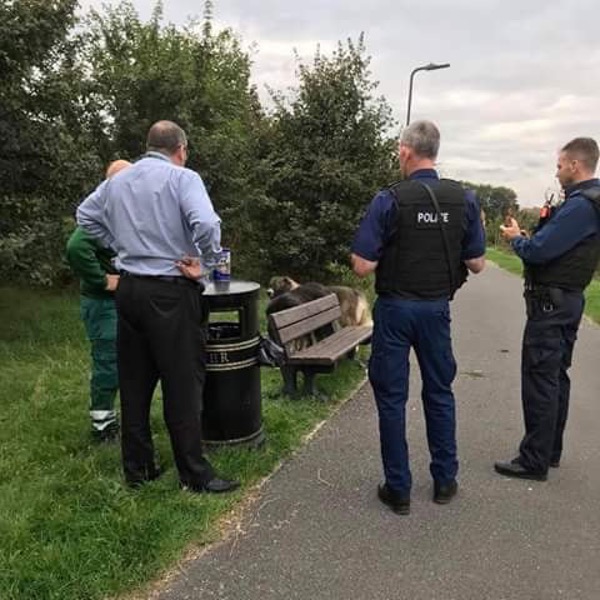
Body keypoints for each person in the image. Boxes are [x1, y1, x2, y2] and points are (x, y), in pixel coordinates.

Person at [76, 120, 239, 494]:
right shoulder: (183, 179)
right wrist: (208, 263)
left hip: (129, 290)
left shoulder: (118, 181)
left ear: (148, 145)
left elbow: (84, 216)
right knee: (182, 383)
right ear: (180, 149)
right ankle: (194, 474)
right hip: (170, 290)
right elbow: (207, 224)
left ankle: (138, 468)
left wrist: (119, 246)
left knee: (134, 382)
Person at [351, 120, 486, 515]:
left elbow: (361, 266)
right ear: (436, 152)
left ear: (406, 151)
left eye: (399, 151)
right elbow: (477, 263)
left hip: (395, 309)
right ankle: (445, 480)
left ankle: (399, 489)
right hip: (436, 309)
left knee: (392, 399)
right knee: (440, 392)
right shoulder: (465, 199)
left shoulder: (389, 199)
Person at [495, 137, 600, 481]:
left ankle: (534, 460)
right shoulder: (585, 203)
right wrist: (529, 237)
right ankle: (549, 450)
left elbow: (540, 250)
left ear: (574, 165)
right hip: (566, 299)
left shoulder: (581, 205)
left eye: (559, 166)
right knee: (555, 376)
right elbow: (556, 245)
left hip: (551, 305)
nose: (556, 173)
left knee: (541, 377)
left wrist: (516, 240)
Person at [66, 159, 131, 442]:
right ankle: (102, 426)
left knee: (129, 360)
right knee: (108, 362)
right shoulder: (102, 212)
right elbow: (76, 247)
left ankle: (123, 418)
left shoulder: (124, 211)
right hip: (103, 305)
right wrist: (103, 280)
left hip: (125, 301)